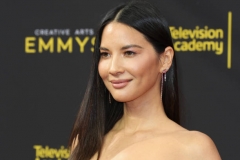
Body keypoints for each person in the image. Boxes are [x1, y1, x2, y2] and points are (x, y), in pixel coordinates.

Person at [68, 1, 221, 160]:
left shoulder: (194, 149)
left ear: (165, 59)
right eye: (105, 54)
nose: (113, 68)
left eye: (129, 53)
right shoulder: (85, 141)